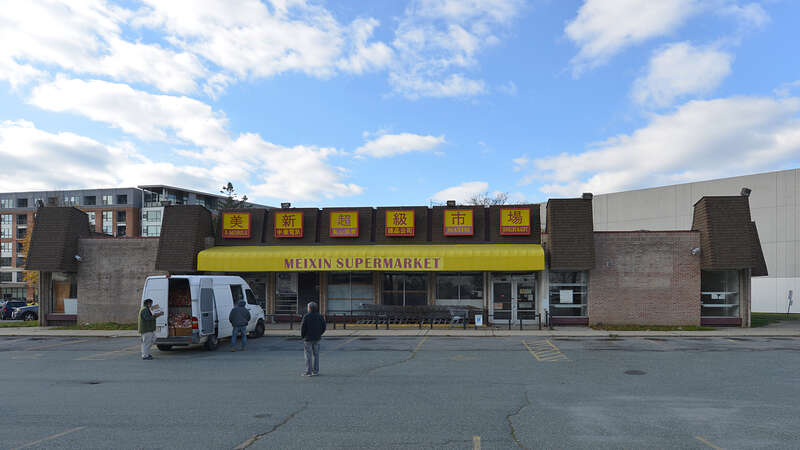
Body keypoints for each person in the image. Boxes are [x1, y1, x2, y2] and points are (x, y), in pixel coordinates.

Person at [300, 301, 326, 376]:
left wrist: (303, 336)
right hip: (317, 338)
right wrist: (320, 333)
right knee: (316, 355)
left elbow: (303, 327)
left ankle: (308, 371)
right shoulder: (320, 316)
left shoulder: (306, 316)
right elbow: (324, 327)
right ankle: (316, 371)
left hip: (308, 338)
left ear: (309, 308)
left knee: (308, 355)